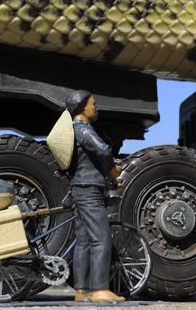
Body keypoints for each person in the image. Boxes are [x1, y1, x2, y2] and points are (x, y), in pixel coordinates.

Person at [66, 90, 125, 303]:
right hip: (90, 188)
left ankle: (82, 291)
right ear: (83, 107)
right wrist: (112, 171)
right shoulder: (83, 129)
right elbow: (102, 150)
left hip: (79, 187)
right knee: (101, 238)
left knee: (83, 241)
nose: (96, 107)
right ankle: (100, 290)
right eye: (93, 104)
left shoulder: (72, 130)